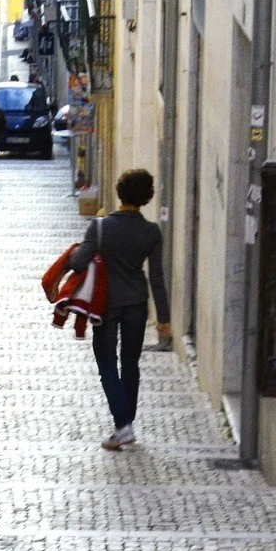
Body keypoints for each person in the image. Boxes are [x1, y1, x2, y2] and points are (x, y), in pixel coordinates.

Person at [70, 169, 173, 451]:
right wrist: (164, 319)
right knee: (130, 363)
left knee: (106, 364)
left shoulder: (100, 228)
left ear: (119, 192)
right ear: (146, 197)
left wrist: (73, 254)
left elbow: (79, 263)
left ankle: (123, 426)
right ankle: (126, 423)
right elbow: (157, 279)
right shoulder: (152, 232)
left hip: (105, 305)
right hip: (137, 304)